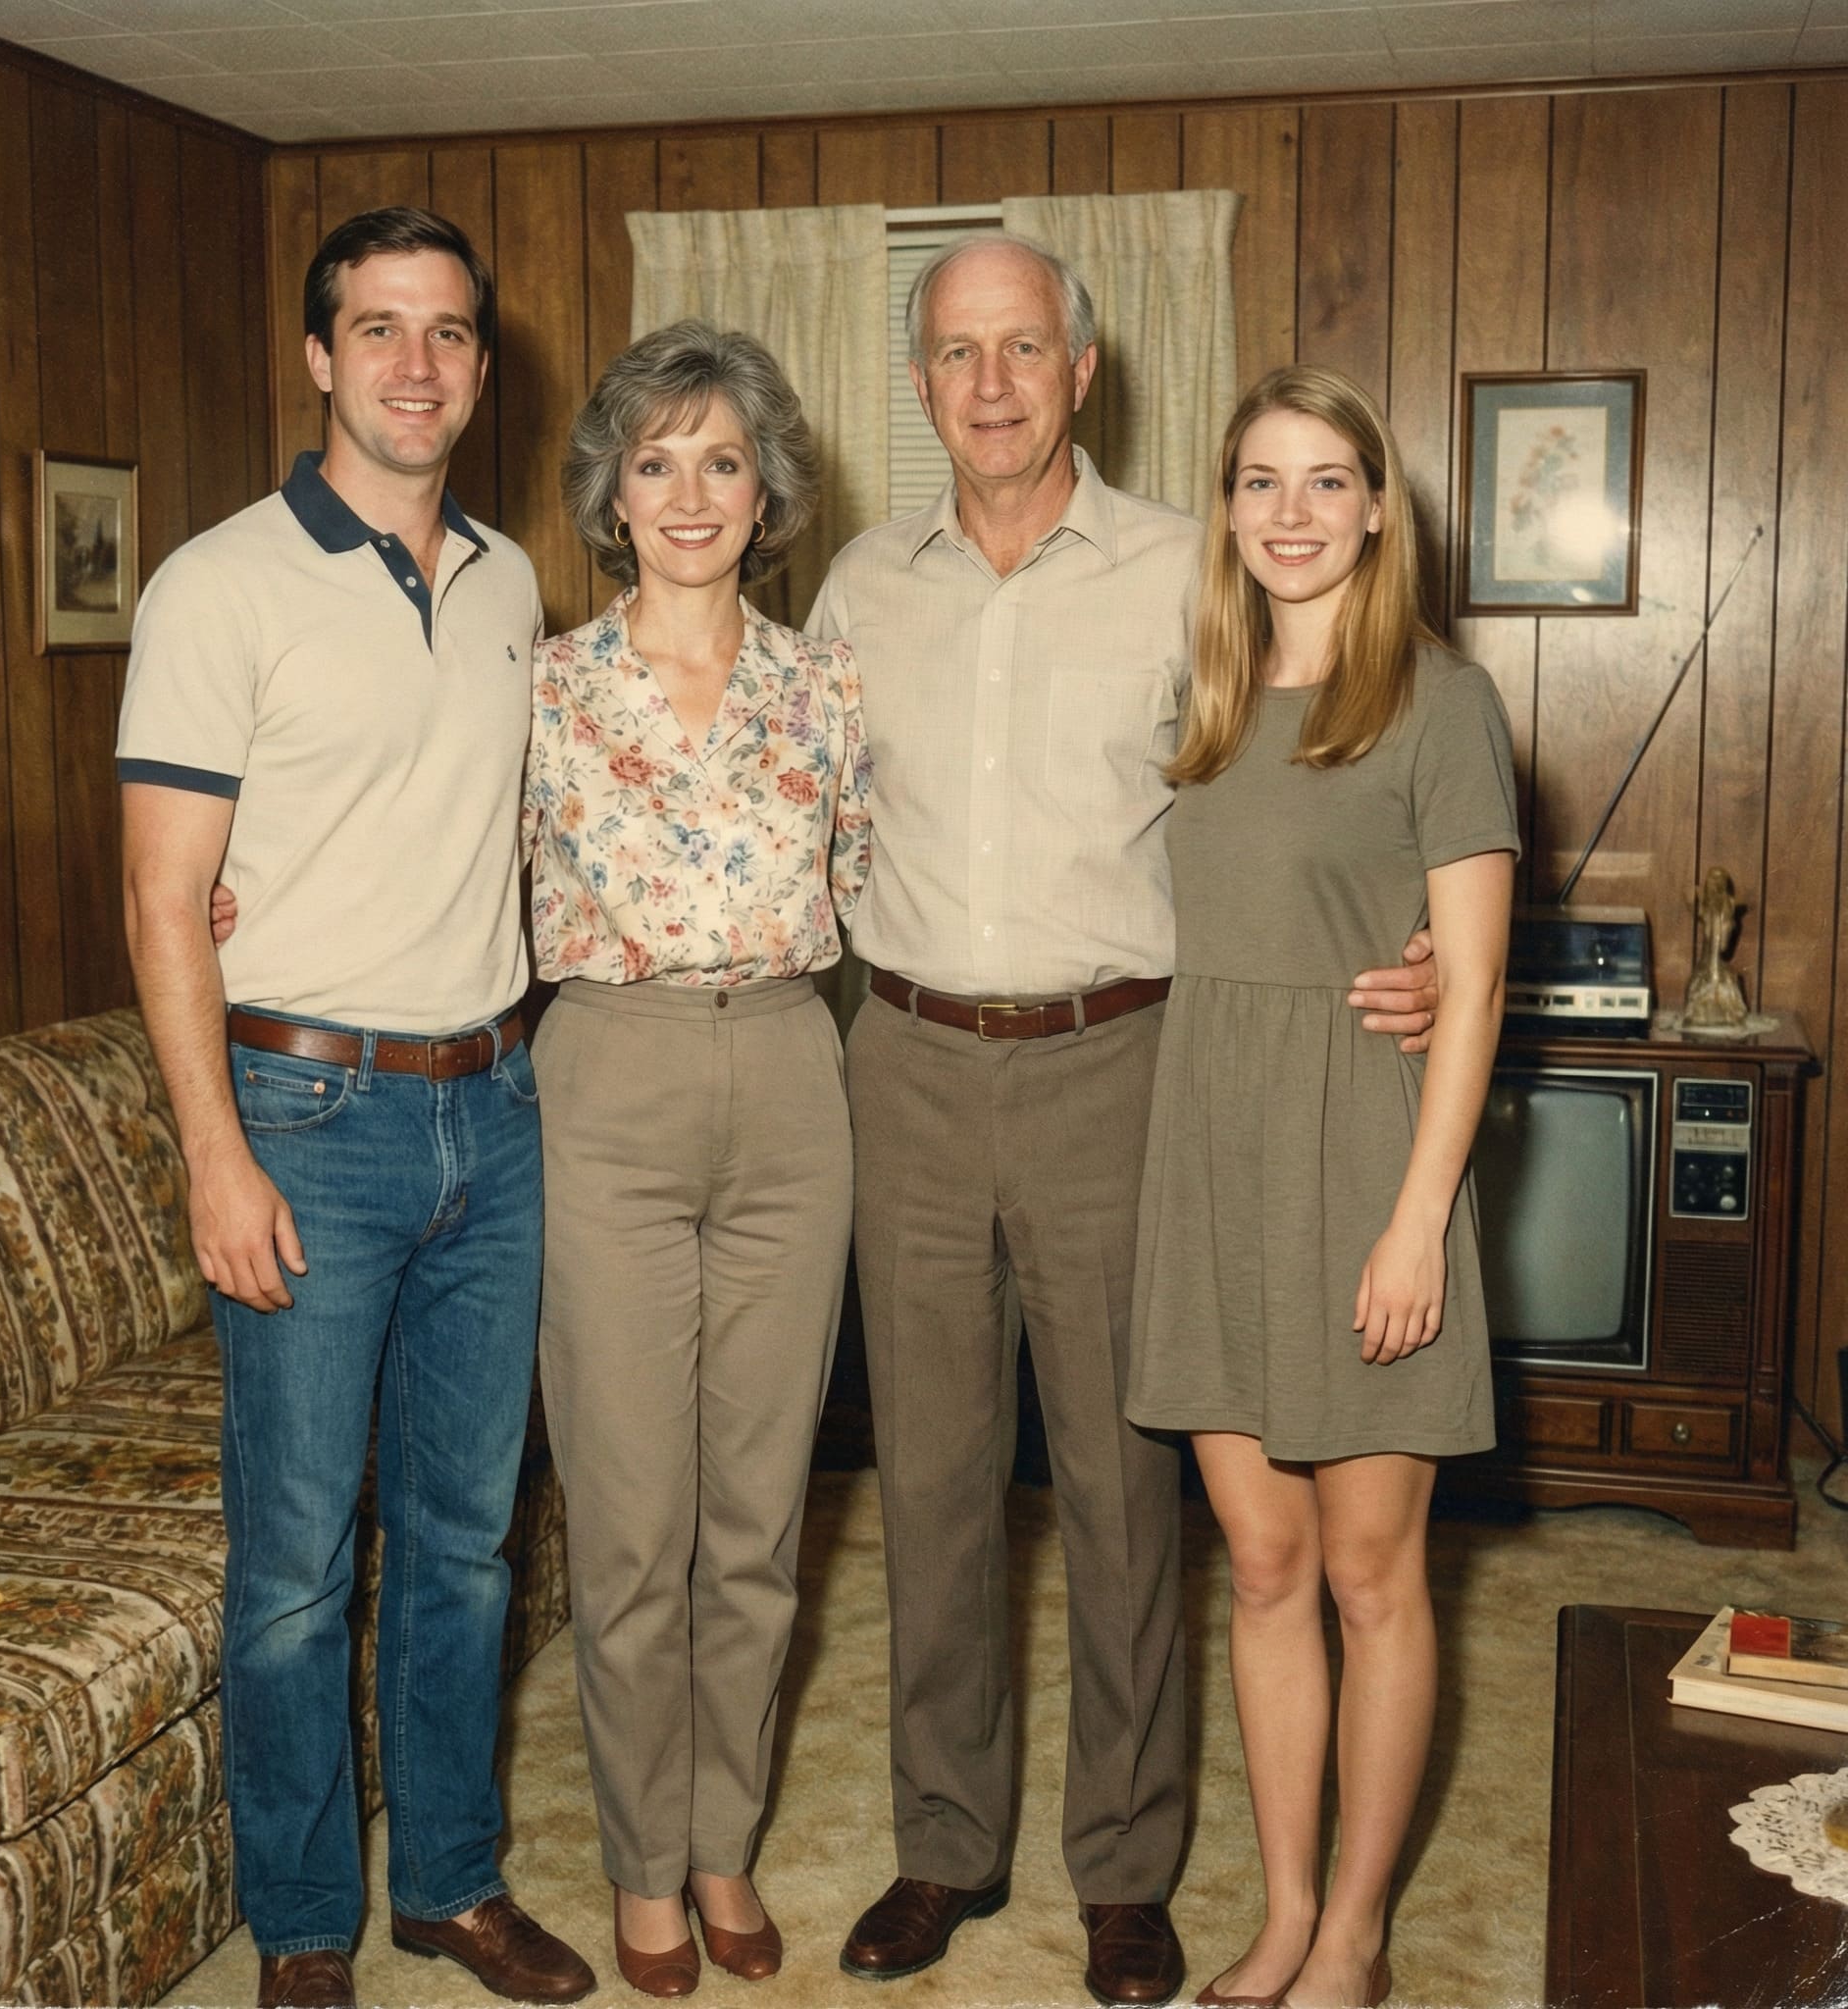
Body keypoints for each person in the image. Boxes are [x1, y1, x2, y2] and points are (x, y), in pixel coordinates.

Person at [805, 234, 1439, 2009]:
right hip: (906, 1061)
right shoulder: (858, 585)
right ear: (918, 384)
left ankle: (1127, 1869)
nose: (991, 384)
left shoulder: (1193, 567)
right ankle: (945, 1842)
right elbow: (768, 799)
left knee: (1122, 1487)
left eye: (1025, 348)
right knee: (931, 1482)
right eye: (956, 354)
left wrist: (1428, 952)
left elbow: (1346, 765)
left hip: (1123, 1068)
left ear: (1084, 370)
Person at [118, 207, 593, 2009]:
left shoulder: (511, 584)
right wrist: (214, 1158)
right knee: (298, 1567)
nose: (416, 363)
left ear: (480, 365)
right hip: (306, 1119)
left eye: (448, 332)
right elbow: (165, 896)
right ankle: (307, 1926)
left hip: (495, 1108)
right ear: (319, 357)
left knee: (467, 1544)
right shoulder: (218, 585)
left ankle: (451, 1884)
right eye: (379, 328)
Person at [1126, 365, 1516, 2009]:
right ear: (1227, 510)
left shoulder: (1440, 700)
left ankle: (1355, 1934)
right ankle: (1285, 1912)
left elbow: (1472, 985)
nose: (1291, 513)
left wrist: (1418, 1219)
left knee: (1369, 1571)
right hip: (1213, 1154)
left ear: (1375, 511)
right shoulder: (1206, 699)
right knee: (1266, 1566)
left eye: (1326, 481)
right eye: (1260, 482)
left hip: (1366, 1156)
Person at [525, 320, 871, 1997]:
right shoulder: (543, 686)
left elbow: (892, 883)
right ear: (612, 493)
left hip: (795, 1077)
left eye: (721, 461)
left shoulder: (826, 685)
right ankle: (640, 1865)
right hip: (609, 1080)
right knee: (631, 1520)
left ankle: (723, 1839)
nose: (687, 493)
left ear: (766, 492)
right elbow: (425, 857)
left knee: (755, 1515)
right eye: (654, 462)